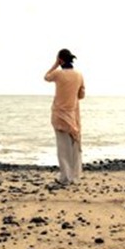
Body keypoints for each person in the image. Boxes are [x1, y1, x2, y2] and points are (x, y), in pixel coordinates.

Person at [44, 48, 85, 185]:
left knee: (63, 148)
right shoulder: (79, 75)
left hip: (59, 114)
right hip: (72, 114)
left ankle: (65, 177)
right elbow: (81, 95)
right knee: (73, 146)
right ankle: (74, 176)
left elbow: (46, 77)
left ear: (60, 59)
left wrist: (55, 64)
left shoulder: (58, 74)